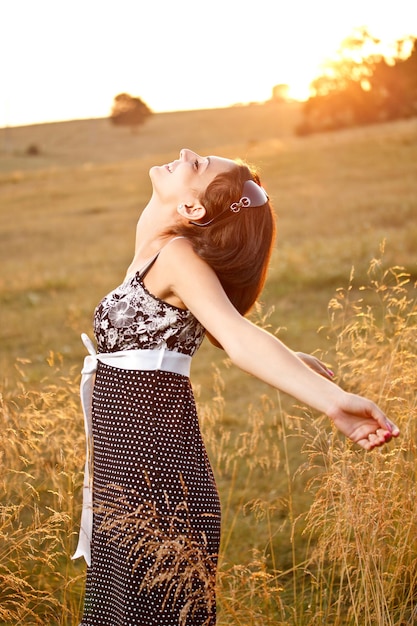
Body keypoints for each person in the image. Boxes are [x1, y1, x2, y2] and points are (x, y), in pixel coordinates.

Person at [73, 148, 399, 626]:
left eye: (200, 164)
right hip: (127, 462)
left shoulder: (176, 255)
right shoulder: (158, 248)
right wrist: (288, 358)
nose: (187, 153)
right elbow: (196, 323)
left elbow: (238, 335)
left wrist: (334, 402)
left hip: (157, 471)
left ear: (193, 210)